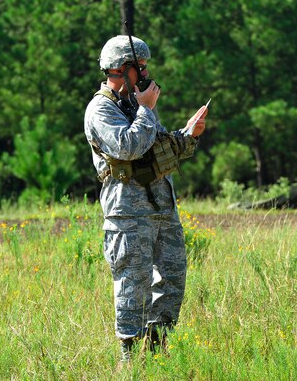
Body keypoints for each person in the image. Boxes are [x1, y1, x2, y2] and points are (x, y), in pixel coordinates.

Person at [84, 35, 207, 363]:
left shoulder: (137, 105)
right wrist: (147, 110)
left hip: (162, 209)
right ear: (121, 70)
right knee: (132, 285)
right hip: (128, 215)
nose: (146, 73)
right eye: (140, 68)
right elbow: (128, 147)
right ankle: (130, 362)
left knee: (172, 279)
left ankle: (157, 354)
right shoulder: (101, 109)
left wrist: (189, 134)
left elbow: (160, 146)